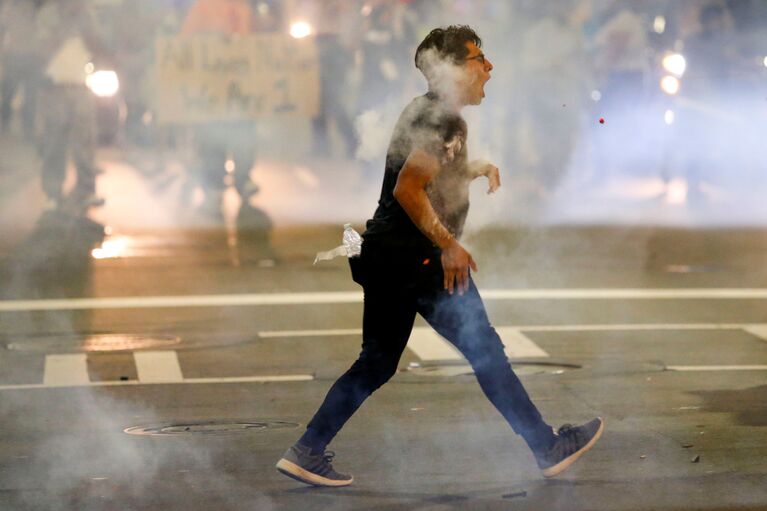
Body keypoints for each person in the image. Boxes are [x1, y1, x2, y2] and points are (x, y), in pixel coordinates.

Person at [276, 25, 604, 487]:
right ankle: (545, 446)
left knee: (376, 361)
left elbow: (425, 175)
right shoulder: (445, 119)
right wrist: (448, 244)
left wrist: (469, 169)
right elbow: (409, 188)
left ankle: (306, 449)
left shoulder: (425, 111)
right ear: (452, 69)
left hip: (387, 256)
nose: (488, 68)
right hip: (421, 260)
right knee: (486, 351)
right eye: (478, 59)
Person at [181, 0, 259, 220]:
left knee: (244, 138)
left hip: (240, 91)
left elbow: (259, 46)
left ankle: (243, 180)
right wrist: (212, 39)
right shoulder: (202, 8)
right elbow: (185, 44)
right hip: (211, 93)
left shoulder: (245, 9)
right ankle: (214, 188)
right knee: (211, 142)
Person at [36, 0, 106, 211]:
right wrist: (65, 26)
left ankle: (86, 189)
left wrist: (85, 27)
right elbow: (42, 48)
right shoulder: (49, 14)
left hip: (81, 85)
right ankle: (53, 191)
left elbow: (97, 46)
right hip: (55, 85)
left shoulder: (87, 15)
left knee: (85, 140)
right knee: (55, 140)